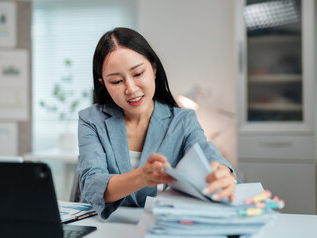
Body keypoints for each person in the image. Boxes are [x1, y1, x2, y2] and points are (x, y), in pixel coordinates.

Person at [77, 27, 238, 219]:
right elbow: (91, 184)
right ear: (103, 83)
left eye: (138, 74)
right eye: (117, 81)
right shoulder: (91, 120)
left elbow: (206, 153)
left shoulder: (183, 120)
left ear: (153, 70)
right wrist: (141, 177)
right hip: (103, 227)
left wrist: (223, 172)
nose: (131, 88)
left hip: (160, 225)